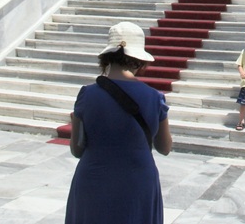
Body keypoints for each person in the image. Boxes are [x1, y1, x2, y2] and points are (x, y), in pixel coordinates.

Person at [66, 22, 173, 223]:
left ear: (107, 57)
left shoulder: (86, 95)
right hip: (138, 180)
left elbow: (77, 150)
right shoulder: (154, 97)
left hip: (93, 178)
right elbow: (164, 148)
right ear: (139, 60)